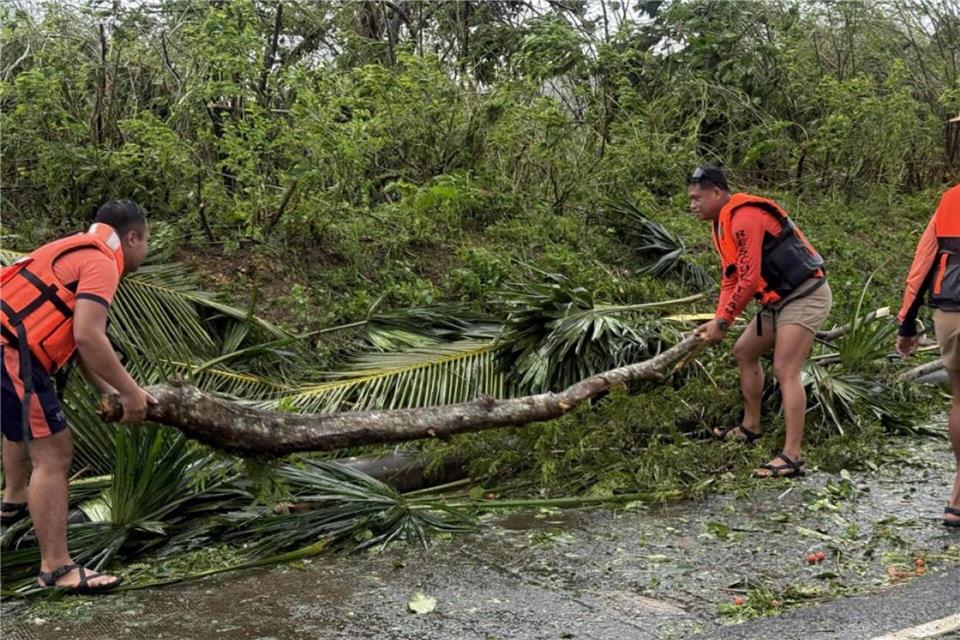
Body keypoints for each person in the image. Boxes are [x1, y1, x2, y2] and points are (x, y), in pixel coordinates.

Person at [0, 200, 157, 592]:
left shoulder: (74, 249)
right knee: (54, 452)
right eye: (146, 241)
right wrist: (133, 393)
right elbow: (90, 336)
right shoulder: (103, 262)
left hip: (8, 346)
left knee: (23, 426)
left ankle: (14, 500)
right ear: (132, 236)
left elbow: (74, 338)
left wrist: (113, 392)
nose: (146, 250)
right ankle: (56, 568)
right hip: (11, 352)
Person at [689, 167, 832, 478]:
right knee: (744, 352)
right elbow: (732, 279)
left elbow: (751, 277)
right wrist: (718, 319)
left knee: (785, 368)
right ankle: (751, 426)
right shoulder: (720, 226)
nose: (692, 205)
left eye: (697, 198)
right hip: (776, 300)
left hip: (804, 294)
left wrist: (723, 323)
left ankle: (793, 456)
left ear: (716, 192)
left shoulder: (744, 218)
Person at [896, 183, 960, 528]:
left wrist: (907, 323)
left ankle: (957, 499)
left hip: (949, 313)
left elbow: (923, 264)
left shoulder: (950, 199)